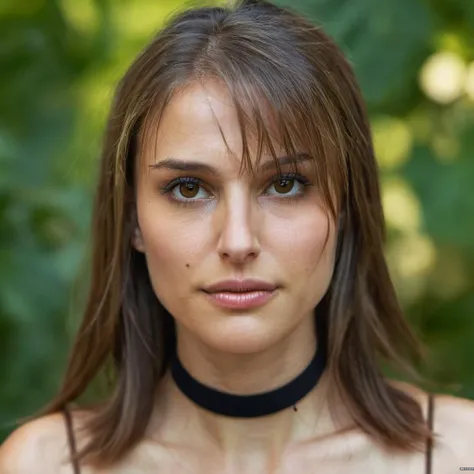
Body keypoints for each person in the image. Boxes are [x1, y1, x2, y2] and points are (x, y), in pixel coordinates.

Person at [1, 0, 473, 472]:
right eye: (189, 189)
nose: (239, 240)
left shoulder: (455, 454)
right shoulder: (44, 464)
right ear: (131, 220)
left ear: (348, 204)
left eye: (285, 184)